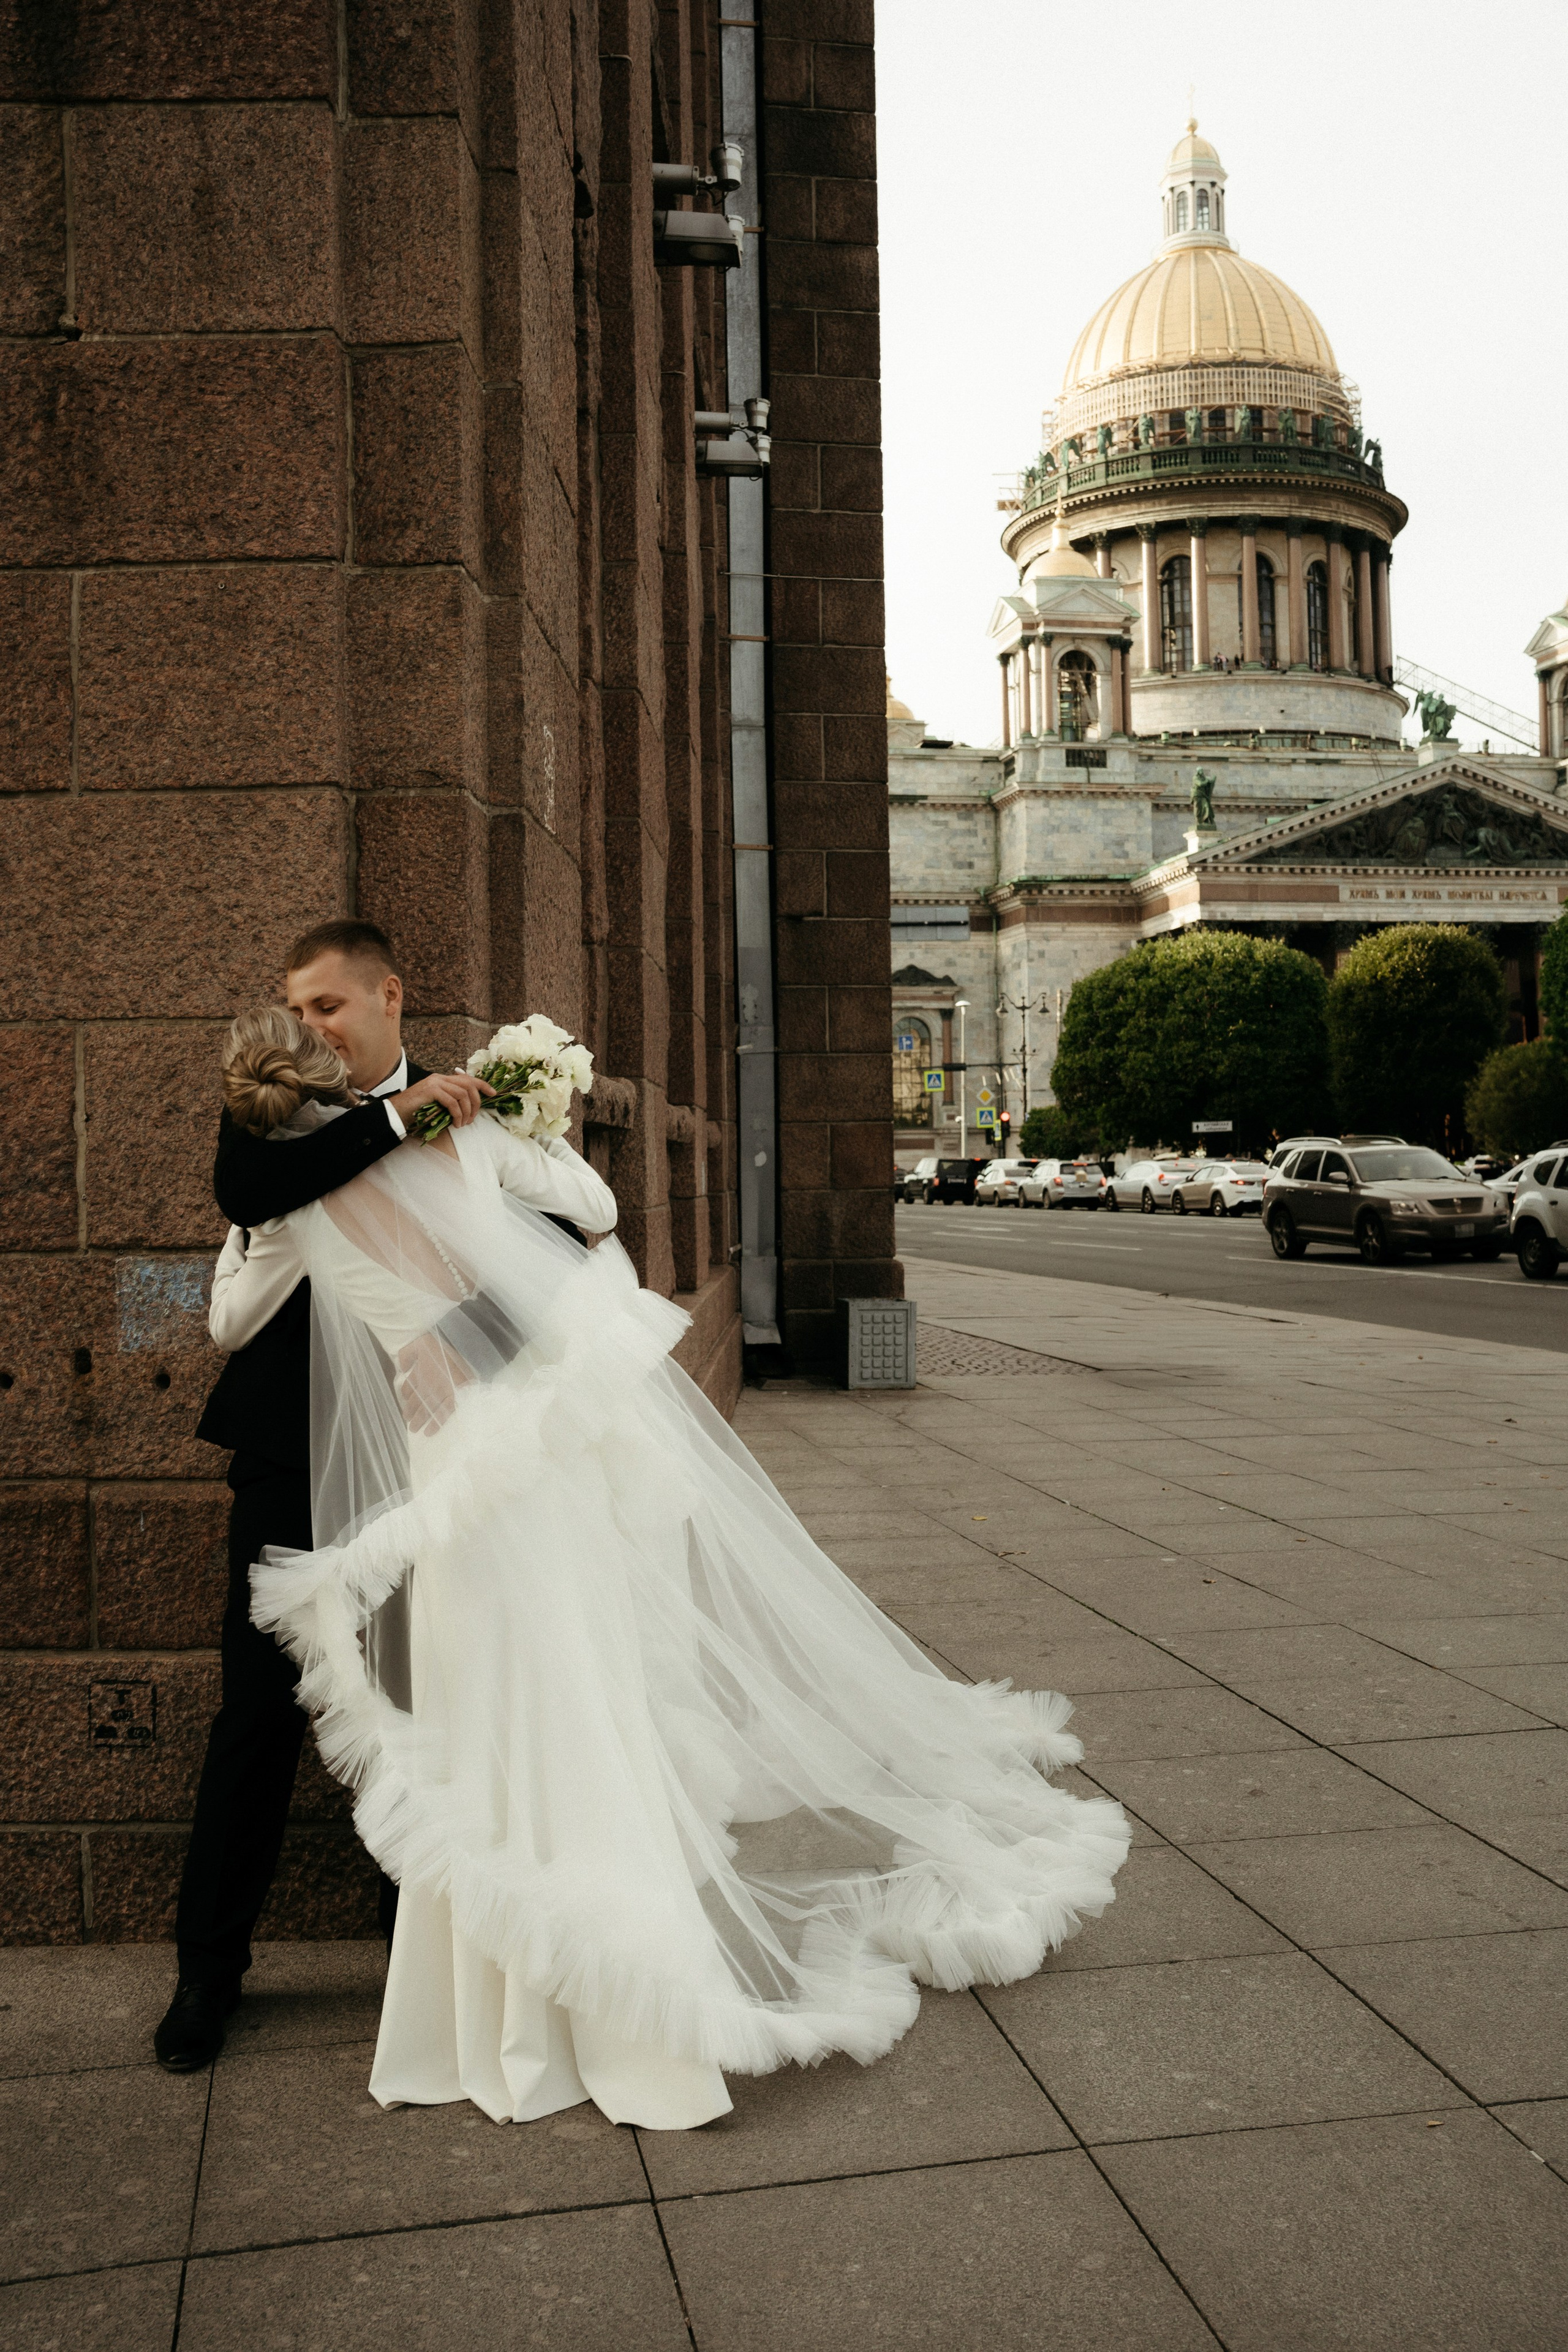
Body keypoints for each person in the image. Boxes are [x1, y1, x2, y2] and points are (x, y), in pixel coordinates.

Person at [203, 1010, 1132, 2130]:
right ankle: (594, 1995)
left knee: (501, 1716)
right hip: (505, 1455)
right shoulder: (430, 1143)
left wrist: (320, 1275)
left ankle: (521, 2012)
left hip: (455, 1466)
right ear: (341, 1091)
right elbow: (564, 1239)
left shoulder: (307, 1198)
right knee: (562, 1702)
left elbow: (261, 1309)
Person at [154, 920, 608, 2072]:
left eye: (328, 1006)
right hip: (290, 1456)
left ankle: (436, 1955)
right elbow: (245, 1191)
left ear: (388, 997)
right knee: (258, 1713)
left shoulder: (475, 1109)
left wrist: (463, 1347)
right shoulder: (275, 1109)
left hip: (430, 1461)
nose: (310, 1025)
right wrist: (387, 1127)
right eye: (297, 1007)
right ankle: (207, 1973)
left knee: (430, 1698)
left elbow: (571, 1242)